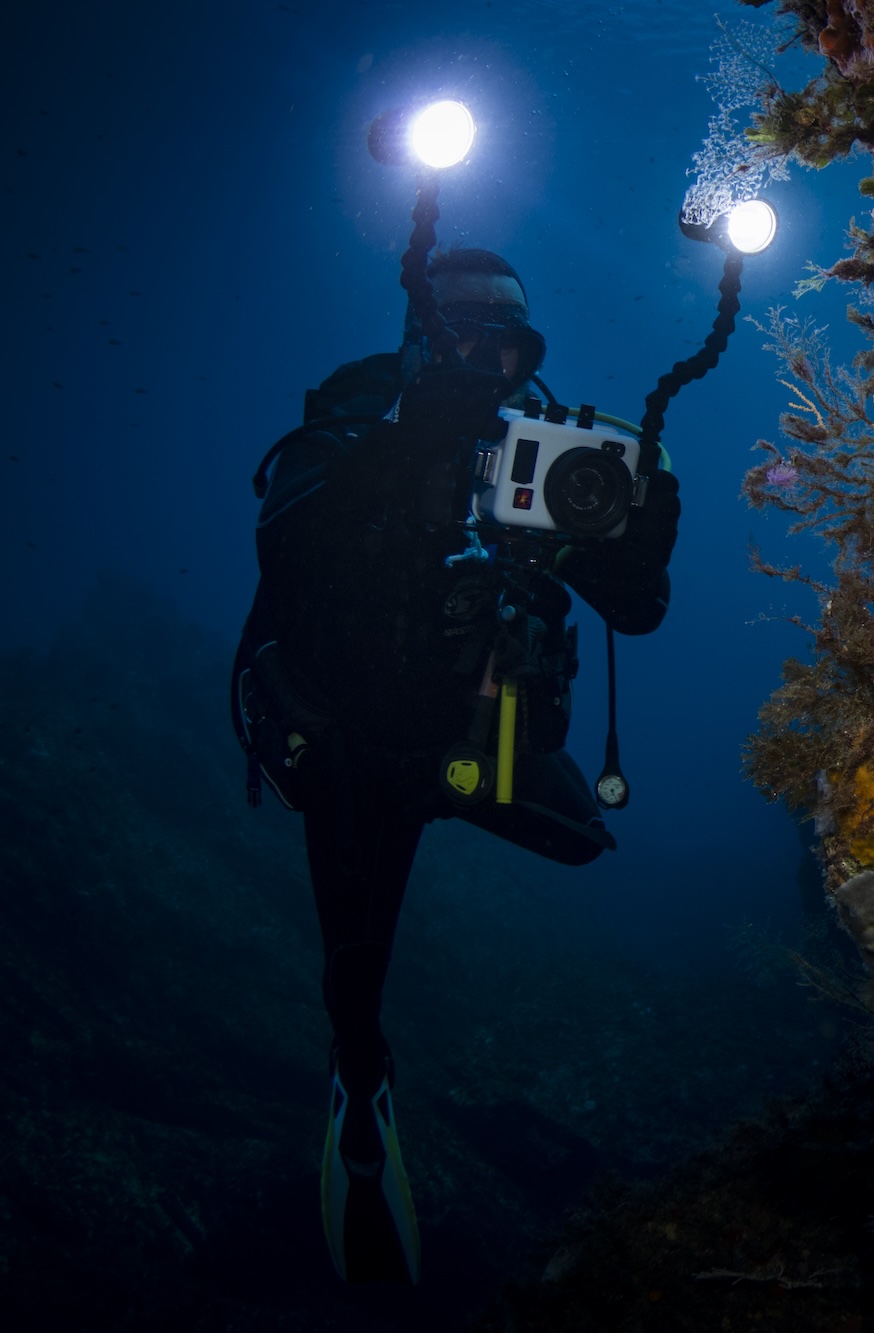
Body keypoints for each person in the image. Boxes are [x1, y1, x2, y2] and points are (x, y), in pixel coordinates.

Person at [230, 247, 679, 1284]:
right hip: (354, 740)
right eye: (460, 333)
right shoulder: (355, 417)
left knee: (584, 841)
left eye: (505, 344)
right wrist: (401, 450)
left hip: (476, 734)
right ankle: (359, 1079)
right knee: (358, 957)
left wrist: (641, 539)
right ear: (418, 337)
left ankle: (364, 1051)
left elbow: (636, 611)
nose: (483, 359)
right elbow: (285, 549)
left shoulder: (543, 448)